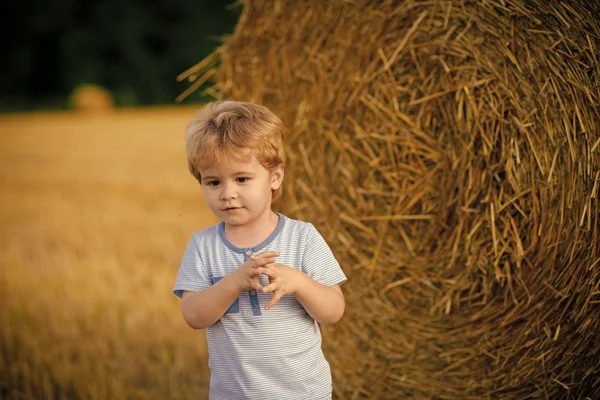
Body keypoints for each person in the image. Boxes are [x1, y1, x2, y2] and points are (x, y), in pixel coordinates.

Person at [173, 100, 347, 400]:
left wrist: (299, 283)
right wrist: (234, 282)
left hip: (304, 394)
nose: (227, 193)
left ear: (275, 177)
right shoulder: (203, 246)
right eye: (213, 182)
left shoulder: (302, 237)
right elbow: (193, 315)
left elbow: (334, 310)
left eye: (241, 179)